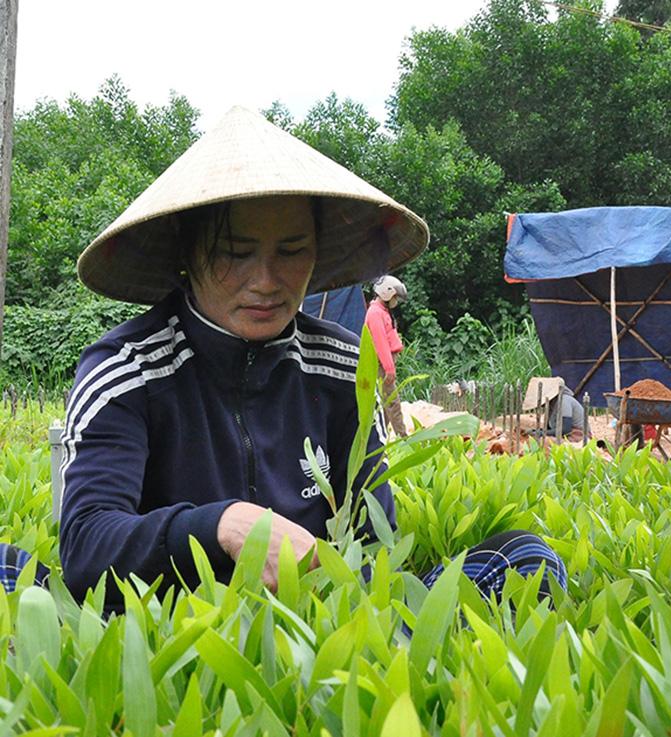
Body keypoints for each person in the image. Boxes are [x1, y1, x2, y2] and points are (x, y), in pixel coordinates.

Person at [34, 106, 567, 612]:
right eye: (235, 252)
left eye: (290, 252)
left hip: (320, 624)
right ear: (186, 255)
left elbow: (371, 543)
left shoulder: (340, 367)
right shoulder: (126, 370)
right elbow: (87, 546)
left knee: (525, 558)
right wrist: (221, 526)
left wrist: (341, 597)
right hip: (171, 623)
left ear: (316, 252)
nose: (266, 281)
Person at [365, 275, 408, 438]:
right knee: (392, 403)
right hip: (383, 365)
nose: (396, 300)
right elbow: (380, 343)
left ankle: (381, 437)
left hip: (386, 362)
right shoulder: (375, 313)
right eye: (395, 297)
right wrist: (389, 368)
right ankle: (403, 438)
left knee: (385, 405)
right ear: (387, 293)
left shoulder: (381, 311)